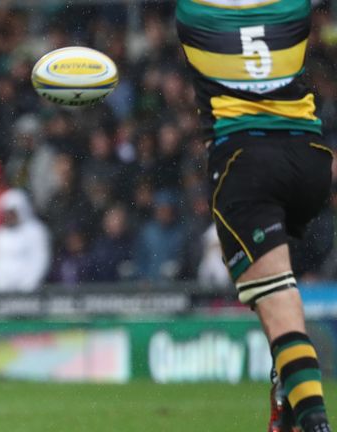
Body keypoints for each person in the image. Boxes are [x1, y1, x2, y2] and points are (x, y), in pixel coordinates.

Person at [176, 2, 333, 431]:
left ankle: (314, 420)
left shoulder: (194, 13)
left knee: (280, 307)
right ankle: (287, 390)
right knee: (280, 307)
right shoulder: (293, 7)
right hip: (311, 162)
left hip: (246, 165)